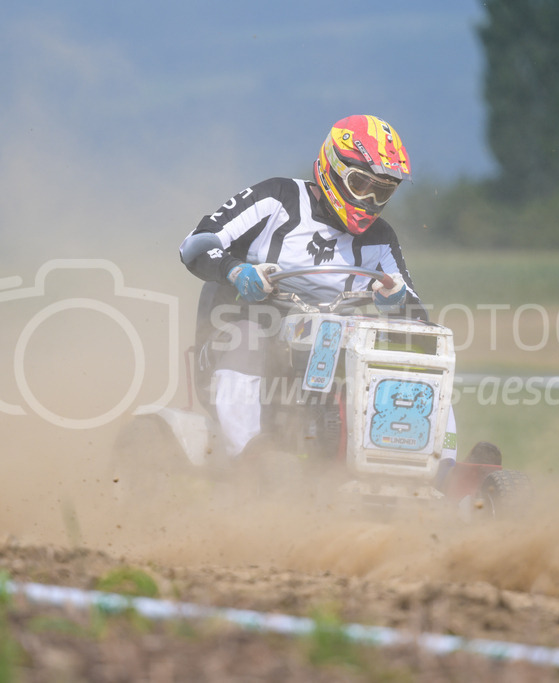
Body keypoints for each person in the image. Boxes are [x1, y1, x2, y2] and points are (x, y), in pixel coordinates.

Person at [180, 114, 456, 467]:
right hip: (229, 350)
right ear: (333, 170)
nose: (370, 200)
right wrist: (234, 270)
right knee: (248, 338)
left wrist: (397, 302)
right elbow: (195, 244)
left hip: (321, 365)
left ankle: (438, 463)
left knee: (421, 355)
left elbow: (417, 321)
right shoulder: (277, 200)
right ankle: (248, 456)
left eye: (382, 191)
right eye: (360, 185)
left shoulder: (380, 239)